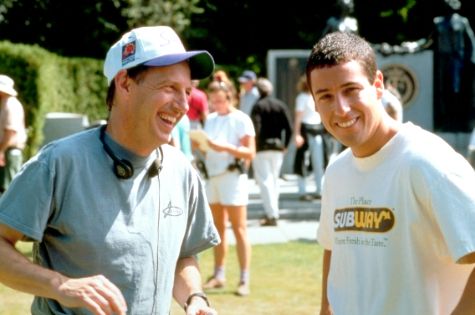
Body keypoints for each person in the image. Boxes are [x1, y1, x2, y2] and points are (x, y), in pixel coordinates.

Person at [0, 25, 221, 315]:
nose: (182, 105)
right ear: (125, 83)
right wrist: (60, 285)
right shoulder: (59, 163)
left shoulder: (182, 171)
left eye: (187, 91)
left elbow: (183, 255)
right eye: (169, 88)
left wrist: (195, 298)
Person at [308, 31, 475, 315]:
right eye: (325, 96)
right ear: (314, 102)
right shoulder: (337, 172)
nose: (341, 108)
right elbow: (333, 250)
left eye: (351, 90)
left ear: (378, 85)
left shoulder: (426, 162)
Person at [201, 79, 256, 296]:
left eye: (219, 101)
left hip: (233, 177)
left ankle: (244, 278)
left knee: (239, 229)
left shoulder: (241, 119)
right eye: (213, 101)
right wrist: (202, 145)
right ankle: (219, 275)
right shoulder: (211, 119)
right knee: (218, 228)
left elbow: (250, 152)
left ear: (229, 97)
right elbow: (208, 149)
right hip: (213, 176)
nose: (215, 105)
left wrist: (225, 148)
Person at [250, 77, 292, 226]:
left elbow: (257, 128)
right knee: (274, 181)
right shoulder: (280, 105)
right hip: (277, 147)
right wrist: (285, 144)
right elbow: (289, 127)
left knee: (265, 181)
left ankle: (271, 214)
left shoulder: (257, 106)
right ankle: (274, 211)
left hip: (262, 148)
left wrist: (255, 145)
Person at [433, 0, 475, 131]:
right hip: (443, 60)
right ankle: (446, 120)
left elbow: (470, 40)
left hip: (458, 60)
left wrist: (472, 58)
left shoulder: (463, 22)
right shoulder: (438, 22)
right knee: (443, 90)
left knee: (457, 90)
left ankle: (459, 121)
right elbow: (430, 41)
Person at [293, 75, 325, 201]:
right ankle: (302, 191)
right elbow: (298, 117)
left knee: (319, 162)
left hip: (318, 130)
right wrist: (297, 134)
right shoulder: (302, 98)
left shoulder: (317, 96)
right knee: (302, 161)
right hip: (305, 131)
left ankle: (320, 189)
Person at [0, 74, 27, 194]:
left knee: (9, 188)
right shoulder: (7, 104)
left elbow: (10, 132)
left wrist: (0, 151)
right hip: (8, 151)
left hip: (9, 151)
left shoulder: (10, 105)